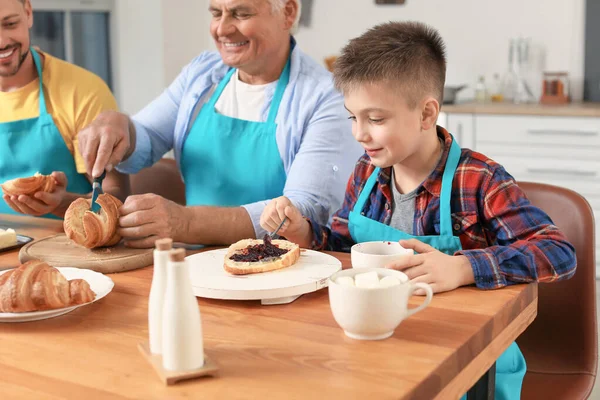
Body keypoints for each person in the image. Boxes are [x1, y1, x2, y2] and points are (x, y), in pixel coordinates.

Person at [259, 21, 577, 399]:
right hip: (386, 350)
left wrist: (464, 266)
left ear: (427, 115)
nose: (359, 134)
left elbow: (558, 254)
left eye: (375, 119)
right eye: (352, 117)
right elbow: (343, 245)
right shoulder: (367, 172)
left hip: (469, 360)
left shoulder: (478, 180)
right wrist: (307, 235)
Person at [77, 0, 362, 248]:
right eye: (216, 13)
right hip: (195, 263)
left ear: (288, 13)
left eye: (240, 13)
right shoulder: (202, 73)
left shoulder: (327, 96)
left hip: (283, 274)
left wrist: (184, 223)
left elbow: (305, 209)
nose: (222, 29)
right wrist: (117, 126)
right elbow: (147, 136)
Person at [0, 0, 129, 219]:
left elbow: (117, 196)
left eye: (10, 24)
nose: (2, 42)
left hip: (67, 247)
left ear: (28, 13)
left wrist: (61, 203)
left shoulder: (83, 91)